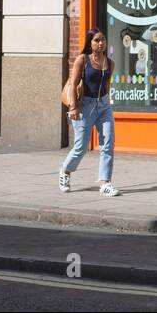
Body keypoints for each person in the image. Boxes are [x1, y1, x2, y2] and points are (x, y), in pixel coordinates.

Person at [59, 28, 119, 196]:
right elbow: (73, 83)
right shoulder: (82, 60)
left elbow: (107, 85)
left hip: (104, 106)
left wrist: (106, 102)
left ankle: (105, 182)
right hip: (84, 106)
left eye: (103, 40)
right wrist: (73, 107)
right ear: (90, 42)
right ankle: (65, 170)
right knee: (81, 147)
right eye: (97, 40)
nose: (101, 43)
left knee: (108, 144)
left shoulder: (110, 63)